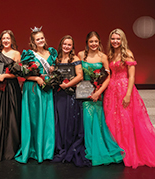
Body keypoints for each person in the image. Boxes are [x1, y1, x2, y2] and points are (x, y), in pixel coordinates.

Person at [104, 28, 155, 168]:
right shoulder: (110, 54)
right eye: (113, 39)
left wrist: (127, 94)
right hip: (111, 90)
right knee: (112, 119)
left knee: (126, 120)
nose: (115, 41)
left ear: (122, 40)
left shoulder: (127, 54)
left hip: (124, 89)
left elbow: (131, 76)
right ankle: (117, 150)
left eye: (118, 39)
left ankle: (128, 151)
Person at [78, 31, 124, 166]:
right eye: (91, 41)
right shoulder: (81, 55)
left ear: (99, 42)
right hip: (84, 93)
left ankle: (99, 147)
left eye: (96, 41)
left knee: (97, 121)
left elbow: (108, 77)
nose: (93, 44)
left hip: (98, 93)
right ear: (87, 42)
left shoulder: (103, 57)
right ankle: (89, 146)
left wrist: (99, 93)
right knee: (87, 119)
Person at [14, 27, 57, 163]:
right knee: (34, 119)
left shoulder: (51, 53)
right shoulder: (29, 54)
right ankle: (33, 149)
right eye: (37, 39)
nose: (41, 40)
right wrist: (36, 78)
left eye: (42, 38)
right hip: (33, 89)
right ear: (33, 41)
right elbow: (23, 74)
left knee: (47, 120)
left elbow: (55, 71)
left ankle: (46, 151)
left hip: (47, 88)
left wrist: (53, 70)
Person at [52, 35, 91, 167]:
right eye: (64, 44)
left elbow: (79, 76)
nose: (66, 47)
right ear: (61, 45)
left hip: (69, 94)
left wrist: (67, 85)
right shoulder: (57, 59)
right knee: (60, 120)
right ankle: (60, 145)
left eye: (69, 44)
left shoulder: (75, 59)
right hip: (58, 94)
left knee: (69, 120)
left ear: (72, 47)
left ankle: (69, 145)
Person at [0, 30, 21, 161]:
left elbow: (18, 73)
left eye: (8, 38)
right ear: (0, 40)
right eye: (3, 38)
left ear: (12, 40)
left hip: (11, 88)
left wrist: (5, 75)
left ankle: (9, 149)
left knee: (11, 117)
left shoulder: (16, 53)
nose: (6, 40)